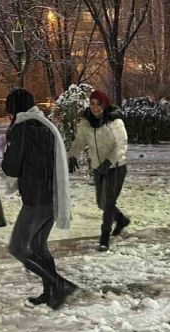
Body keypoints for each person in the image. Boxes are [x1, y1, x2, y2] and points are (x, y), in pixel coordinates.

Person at [2, 88, 77, 309]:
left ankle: (59, 284)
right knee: (38, 246)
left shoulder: (22, 129)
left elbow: (12, 167)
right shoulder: (44, 126)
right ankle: (51, 292)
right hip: (52, 197)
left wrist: (5, 154)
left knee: (18, 248)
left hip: (36, 200)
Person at [68, 90, 130, 251]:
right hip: (97, 167)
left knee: (109, 202)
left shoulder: (115, 122)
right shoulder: (86, 122)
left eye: (98, 104)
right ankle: (121, 220)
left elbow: (121, 145)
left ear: (105, 105)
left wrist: (109, 161)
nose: (95, 108)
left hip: (116, 166)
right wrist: (73, 155)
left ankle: (104, 238)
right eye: (92, 103)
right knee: (101, 203)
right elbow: (80, 141)